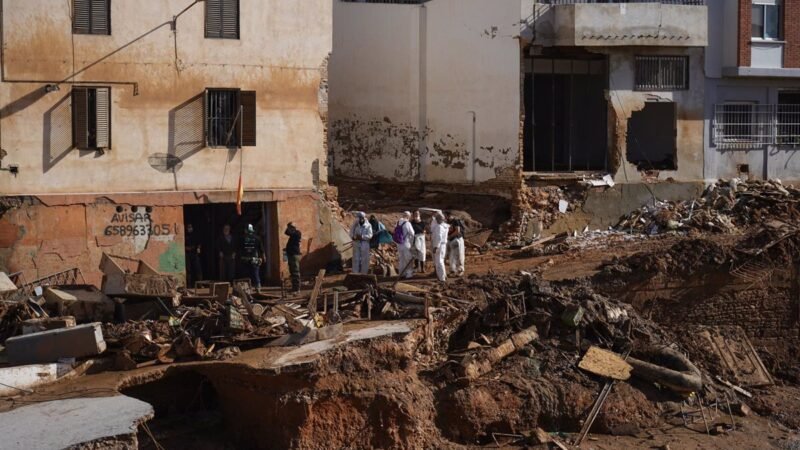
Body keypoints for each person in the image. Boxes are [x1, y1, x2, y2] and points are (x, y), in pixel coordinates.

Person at [241, 224, 265, 290]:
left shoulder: (243, 238)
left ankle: (247, 288)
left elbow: (240, 249)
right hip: (255, 258)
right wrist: (263, 257)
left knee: (246, 273)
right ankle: (258, 286)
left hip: (246, 258)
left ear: (246, 230)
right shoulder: (257, 238)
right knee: (255, 272)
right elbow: (261, 249)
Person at [396, 211, 416, 279]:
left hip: (399, 244)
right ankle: (409, 274)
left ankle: (401, 273)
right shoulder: (407, 223)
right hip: (406, 243)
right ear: (408, 216)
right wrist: (412, 242)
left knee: (401, 259)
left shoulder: (398, 222)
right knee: (408, 259)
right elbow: (412, 233)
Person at [430, 212, 450, 282]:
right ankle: (444, 275)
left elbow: (438, 237)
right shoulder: (445, 226)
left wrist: (435, 247)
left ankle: (442, 278)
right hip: (443, 245)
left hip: (439, 245)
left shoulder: (439, 227)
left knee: (439, 262)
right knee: (441, 261)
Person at [284, 222, 302, 293]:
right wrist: (289, 226)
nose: (289, 229)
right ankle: (294, 288)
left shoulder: (297, 233)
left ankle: (297, 289)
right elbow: (286, 232)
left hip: (294, 255)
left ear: (293, 228)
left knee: (295, 272)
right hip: (291, 254)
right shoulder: (293, 233)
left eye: (290, 227)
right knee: (292, 271)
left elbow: (288, 232)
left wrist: (290, 226)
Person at [447, 211, 466, 277]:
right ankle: (453, 270)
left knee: (459, 256)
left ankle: (460, 270)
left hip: (457, 240)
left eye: (448, 216)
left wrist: (449, 236)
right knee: (452, 256)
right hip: (451, 241)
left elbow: (457, 231)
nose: (448, 217)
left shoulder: (456, 221)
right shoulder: (448, 222)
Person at [185, 223, 203, 287]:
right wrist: (186, 248)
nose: (189, 229)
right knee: (188, 270)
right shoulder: (185, 235)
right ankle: (189, 285)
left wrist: (198, 248)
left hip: (195, 254)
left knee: (198, 269)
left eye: (190, 227)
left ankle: (200, 284)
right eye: (188, 227)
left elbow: (199, 243)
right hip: (187, 254)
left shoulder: (196, 235)